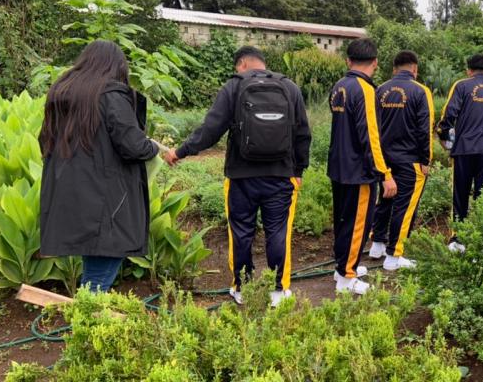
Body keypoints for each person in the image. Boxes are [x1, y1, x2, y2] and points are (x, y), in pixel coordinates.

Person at [164, 46, 311, 307]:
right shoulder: (290, 88)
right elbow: (303, 134)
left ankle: (241, 287)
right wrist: (297, 171)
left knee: (241, 231)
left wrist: (181, 151)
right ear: (262, 63)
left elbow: (211, 130)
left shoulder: (234, 86)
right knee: (278, 231)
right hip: (280, 176)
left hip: (240, 176)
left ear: (241, 64)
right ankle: (278, 291)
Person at [39, 40, 159, 292]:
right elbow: (133, 145)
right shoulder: (111, 96)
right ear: (116, 67)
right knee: (101, 271)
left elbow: (44, 142)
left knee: (94, 259)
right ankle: (86, 325)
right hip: (105, 197)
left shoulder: (61, 95)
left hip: (69, 193)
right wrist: (154, 147)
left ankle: (86, 319)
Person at [328, 38, 397, 294]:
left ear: (348, 61)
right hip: (358, 171)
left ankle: (343, 267)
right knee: (357, 223)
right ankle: (347, 278)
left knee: (343, 221)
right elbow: (371, 136)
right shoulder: (365, 90)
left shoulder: (339, 87)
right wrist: (385, 174)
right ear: (375, 63)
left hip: (338, 167)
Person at [368, 50, 434, 270]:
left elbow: (373, 126)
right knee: (404, 207)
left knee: (385, 200)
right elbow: (425, 127)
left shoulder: (380, 90)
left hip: (384, 159)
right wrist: (426, 159)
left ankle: (377, 244)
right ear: (415, 69)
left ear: (394, 68)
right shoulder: (421, 91)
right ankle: (394, 256)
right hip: (410, 160)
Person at [436, 54, 483, 253]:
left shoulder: (462, 86)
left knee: (460, 192)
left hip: (465, 148)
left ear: (469, 70)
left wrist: (443, 134)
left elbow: (448, 114)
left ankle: (458, 238)